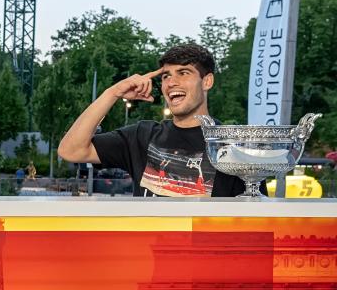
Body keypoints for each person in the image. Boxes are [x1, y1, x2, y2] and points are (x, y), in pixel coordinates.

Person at [57, 43, 246, 197]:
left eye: (183, 73)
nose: (171, 82)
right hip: (149, 244)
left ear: (207, 81)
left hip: (201, 243)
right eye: (166, 76)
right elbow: (71, 150)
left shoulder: (232, 144)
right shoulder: (142, 136)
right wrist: (112, 93)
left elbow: (254, 220)